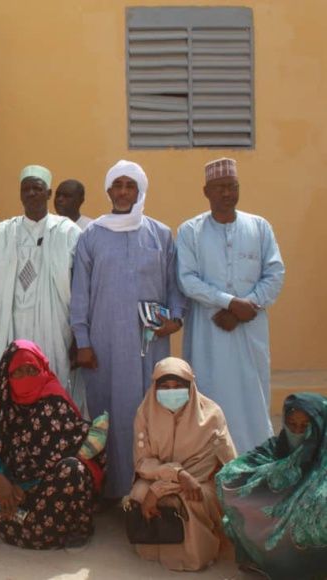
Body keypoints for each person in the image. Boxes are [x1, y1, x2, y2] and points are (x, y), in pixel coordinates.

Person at [70, 160, 186, 501]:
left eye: (129, 185)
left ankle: (151, 489)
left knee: (151, 414)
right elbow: (80, 294)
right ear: (108, 191)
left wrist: (176, 319)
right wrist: (83, 342)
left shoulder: (161, 234)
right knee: (110, 417)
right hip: (103, 346)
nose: (122, 192)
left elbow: (174, 287)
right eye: (116, 185)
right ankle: (114, 491)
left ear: (140, 191)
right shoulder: (91, 235)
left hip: (149, 345)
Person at [177, 158, 285, 453]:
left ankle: (256, 463)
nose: (227, 193)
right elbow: (186, 279)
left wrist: (247, 306)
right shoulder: (190, 231)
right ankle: (212, 466)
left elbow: (275, 273)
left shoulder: (259, 227)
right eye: (220, 187)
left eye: (232, 187)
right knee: (212, 396)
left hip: (250, 329)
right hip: (209, 331)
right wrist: (228, 302)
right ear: (206, 191)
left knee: (253, 395)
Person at [0, 340, 104, 550]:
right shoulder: (2, 405)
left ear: (42, 369)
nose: (25, 378)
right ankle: (21, 520)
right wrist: (0, 479)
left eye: (31, 370)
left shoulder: (54, 401)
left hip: (48, 492)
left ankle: (68, 529)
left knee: (74, 470)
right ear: (7, 377)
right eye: (18, 373)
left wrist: (24, 486)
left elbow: (73, 446)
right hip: (10, 496)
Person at [127, 357, 237, 571]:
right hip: (159, 476)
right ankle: (154, 549)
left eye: (178, 387)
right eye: (165, 387)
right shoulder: (145, 413)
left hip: (201, 481)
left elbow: (209, 469)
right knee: (139, 494)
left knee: (190, 498)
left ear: (190, 387)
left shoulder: (211, 416)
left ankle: (197, 554)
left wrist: (160, 489)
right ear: (155, 387)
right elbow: (142, 462)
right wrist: (175, 476)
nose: (171, 392)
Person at [0, 166, 81, 397]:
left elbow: (78, 284)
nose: (31, 193)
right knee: (15, 381)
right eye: (26, 189)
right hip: (13, 320)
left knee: (53, 379)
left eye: (37, 188)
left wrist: (78, 333)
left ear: (48, 193)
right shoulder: (3, 233)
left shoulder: (67, 232)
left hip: (54, 322)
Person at [216, 393, 327, 579]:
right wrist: (283, 469)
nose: (298, 432)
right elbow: (229, 475)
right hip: (273, 524)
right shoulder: (276, 447)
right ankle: (265, 560)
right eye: (292, 425)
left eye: (305, 427)